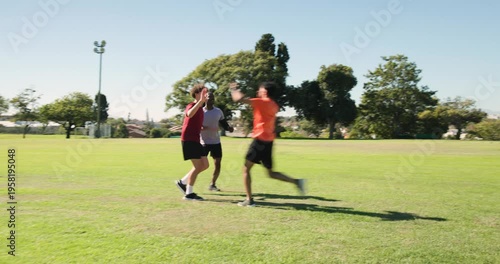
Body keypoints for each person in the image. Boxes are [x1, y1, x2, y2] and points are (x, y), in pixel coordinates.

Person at [229, 81, 306, 207]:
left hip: (259, 140)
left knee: (245, 169)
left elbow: (239, 99)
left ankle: (249, 200)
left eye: (260, 89)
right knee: (271, 173)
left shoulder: (262, 102)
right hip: (268, 142)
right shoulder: (274, 105)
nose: (258, 91)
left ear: (265, 91)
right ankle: (296, 182)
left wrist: (234, 89)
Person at [175, 84, 209, 201]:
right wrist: (200, 102)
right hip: (189, 139)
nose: (206, 95)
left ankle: (182, 182)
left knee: (205, 165)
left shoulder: (200, 109)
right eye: (204, 93)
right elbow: (189, 114)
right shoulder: (192, 105)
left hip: (195, 139)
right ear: (196, 94)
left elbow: (193, 122)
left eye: (207, 93)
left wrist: (201, 127)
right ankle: (189, 194)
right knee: (198, 166)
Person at [201, 91, 234, 192]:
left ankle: (212, 184)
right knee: (200, 165)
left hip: (216, 142)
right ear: (205, 98)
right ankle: (188, 183)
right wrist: (201, 127)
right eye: (209, 97)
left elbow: (224, 123)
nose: (211, 99)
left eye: (212, 97)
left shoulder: (218, 111)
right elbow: (194, 125)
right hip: (203, 142)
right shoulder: (200, 111)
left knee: (218, 164)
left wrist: (229, 128)